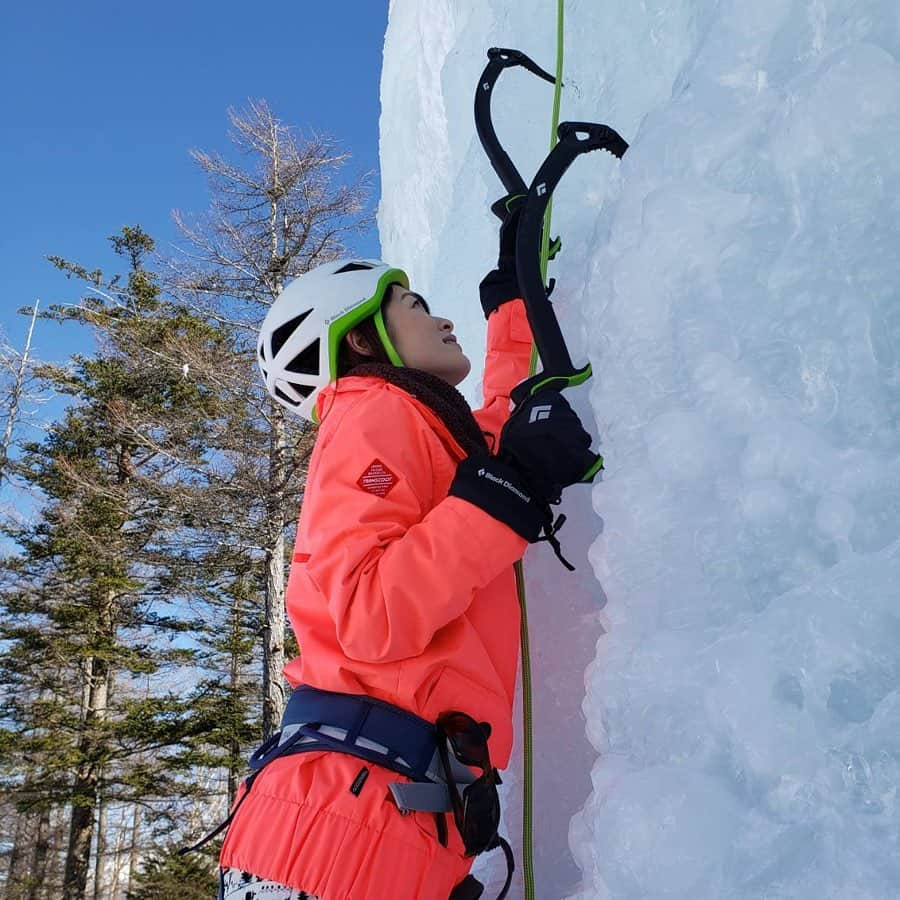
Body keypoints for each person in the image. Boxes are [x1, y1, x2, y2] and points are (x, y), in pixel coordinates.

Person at [216, 222, 601, 899]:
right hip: (346, 827)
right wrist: (510, 489)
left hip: (356, 814)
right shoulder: (372, 412)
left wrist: (513, 306)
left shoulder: (414, 425)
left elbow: (499, 436)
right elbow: (368, 612)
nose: (441, 314)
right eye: (417, 306)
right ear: (362, 340)